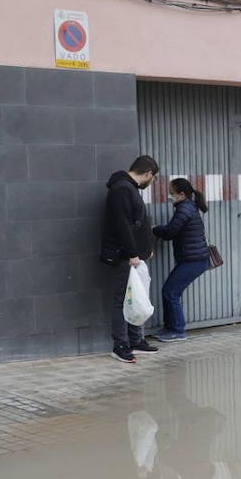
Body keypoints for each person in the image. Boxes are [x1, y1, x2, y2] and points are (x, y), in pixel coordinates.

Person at [101, 156, 160, 364]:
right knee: (122, 301)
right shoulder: (122, 189)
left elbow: (138, 222)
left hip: (134, 256)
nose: (150, 183)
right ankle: (121, 346)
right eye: (152, 179)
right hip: (125, 257)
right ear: (148, 174)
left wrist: (145, 249)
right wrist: (133, 253)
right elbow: (122, 225)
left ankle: (136, 340)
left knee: (135, 298)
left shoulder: (129, 188)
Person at [152, 178, 212, 342]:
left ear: (182, 194)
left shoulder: (184, 208)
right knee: (170, 291)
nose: (169, 196)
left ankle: (177, 330)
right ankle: (170, 328)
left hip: (194, 260)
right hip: (192, 259)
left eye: (172, 193)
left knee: (171, 292)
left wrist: (154, 229)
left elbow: (171, 231)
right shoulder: (187, 206)